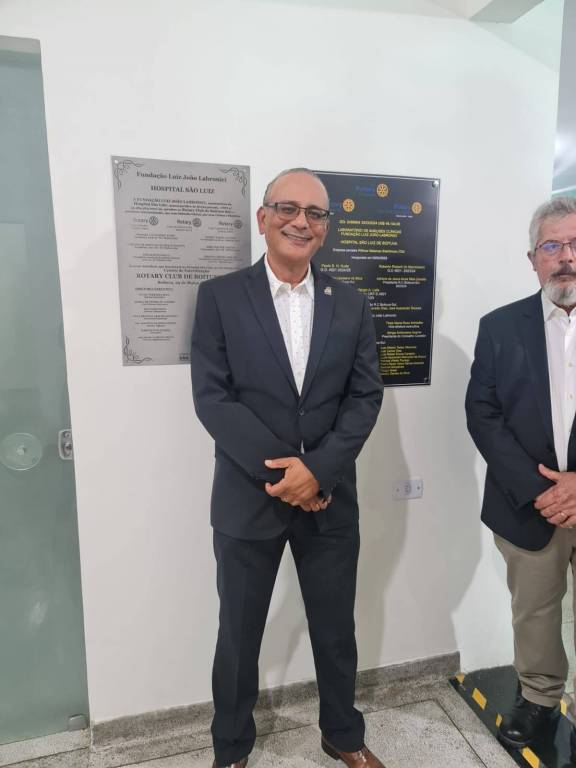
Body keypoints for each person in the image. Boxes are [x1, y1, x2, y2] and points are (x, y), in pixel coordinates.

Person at [191, 168, 384, 768]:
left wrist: (317, 471)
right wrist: (285, 476)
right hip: (248, 499)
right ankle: (231, 747)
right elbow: (213, 398)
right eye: (288, 208)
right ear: (263, 218)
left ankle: (342, 735)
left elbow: (364, 398)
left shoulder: (351, 304)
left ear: (325, 228)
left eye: (315, 213)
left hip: (329, 498)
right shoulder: (220, 297)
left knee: (335, 630)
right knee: (238, 634)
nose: (301, 222)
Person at [466, 196, 576, 748]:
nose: (566, 257)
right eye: (552, 245)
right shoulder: (500, 328)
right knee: (534, 611)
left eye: (575, 244)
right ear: (532, 259)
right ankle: (539, 699)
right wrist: (542, 490)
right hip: (528, 505)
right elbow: (482, 414)